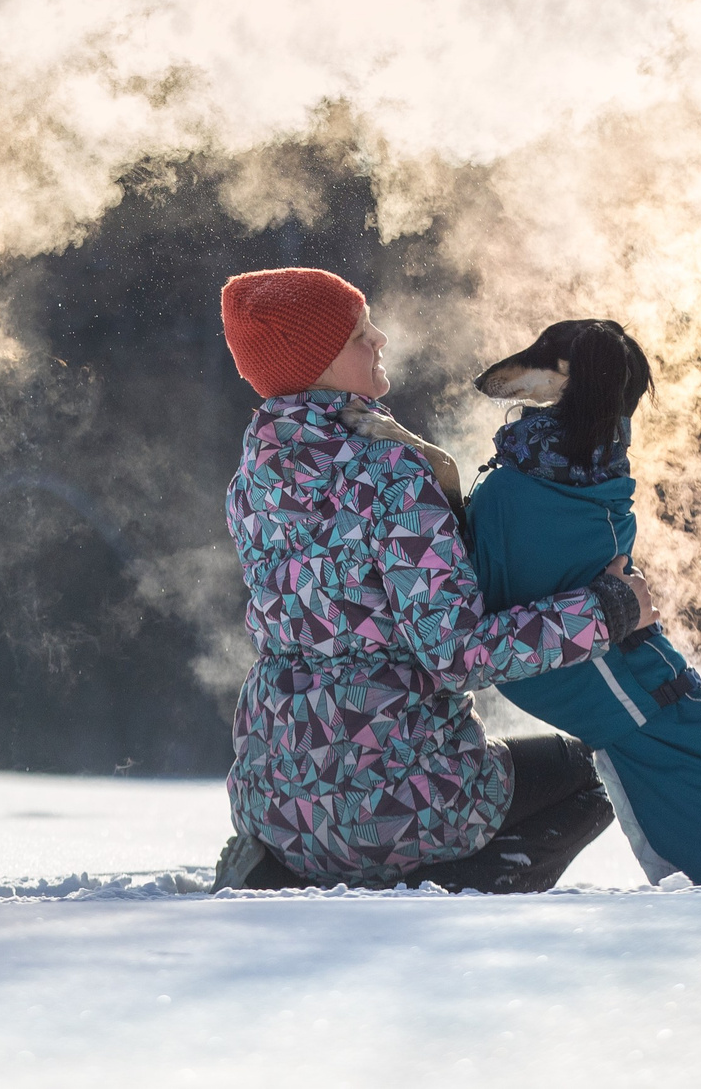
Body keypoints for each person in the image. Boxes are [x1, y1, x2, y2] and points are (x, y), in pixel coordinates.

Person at [211, 267, 654, 893]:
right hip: (395, 804)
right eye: (360, 334)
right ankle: (436, 891)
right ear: (319, 364)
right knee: (598, 768)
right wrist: (607, 610)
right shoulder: (389, 472)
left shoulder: (250, 475)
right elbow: (459, 652)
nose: (381, 339)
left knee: (360, 797)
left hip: (274, 800)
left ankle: (287, 867)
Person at [464, 319, 701, 887]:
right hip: (689, 737)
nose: (511, 371)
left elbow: (476, 604)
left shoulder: (529, 491)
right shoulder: (580, 484)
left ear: (575, 378)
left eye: (543, 356)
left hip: (686, 752)